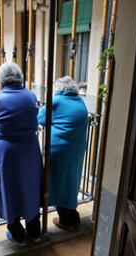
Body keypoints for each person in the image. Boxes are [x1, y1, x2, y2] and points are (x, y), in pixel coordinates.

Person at [0, 63, 42, 245]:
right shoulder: (31, 96)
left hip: (7, 151)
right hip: (30, 149)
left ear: (0, 80)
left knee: (8, 188)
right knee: (30, 186)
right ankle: (35, 233)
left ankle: (17, 234)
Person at [38, 76, 88, 231]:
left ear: (58, 89)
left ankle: (68, 220)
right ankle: (72, 216)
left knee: (57, 183)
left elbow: (39, 118)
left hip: (59, 150)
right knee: (70, 182)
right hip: (76, 150)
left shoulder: (57, 101)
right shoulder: (81, 102)